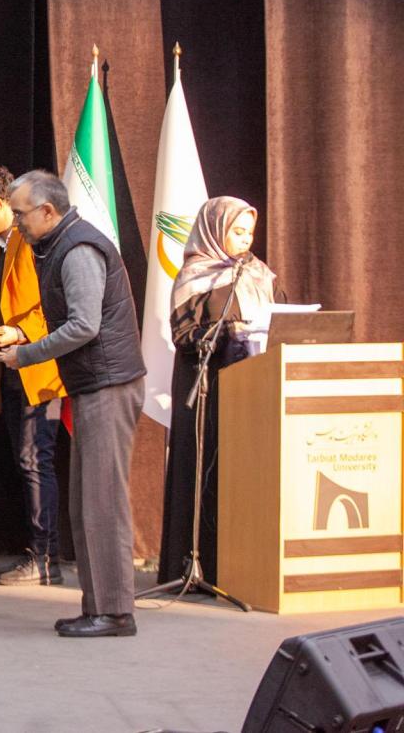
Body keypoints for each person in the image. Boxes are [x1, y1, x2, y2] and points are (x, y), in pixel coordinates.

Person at [0, 170, 145, 638]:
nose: (16, 222)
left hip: (108, 385)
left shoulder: (78, 248)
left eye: (20, 213)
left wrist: (26, 354)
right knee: (87, 505)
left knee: (103, 505)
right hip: (92, 385)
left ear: (47, 211)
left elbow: (84, 326)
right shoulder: (58, 243)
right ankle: (98, 607)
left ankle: (115, 613)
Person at [158, 196, 276, 587]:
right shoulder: (195, 277)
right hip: (207, 391)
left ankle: (242, 567)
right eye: (237, 232)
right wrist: (226, 331)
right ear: (214, 230)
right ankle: (197, 565)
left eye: (249, 233)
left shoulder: (261, 275)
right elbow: (183, 335)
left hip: (253, 391)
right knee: (204, 472)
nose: (245, 240)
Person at [0, 165, 67, 586]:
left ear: (0, 202)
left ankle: (46, 560)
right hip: (11, 374)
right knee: (26, 463)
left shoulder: (32, 244)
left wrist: (21, 333)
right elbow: (2, 316)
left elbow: (54, 307)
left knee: (35, 462)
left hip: (40, 374)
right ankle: (37, 554)